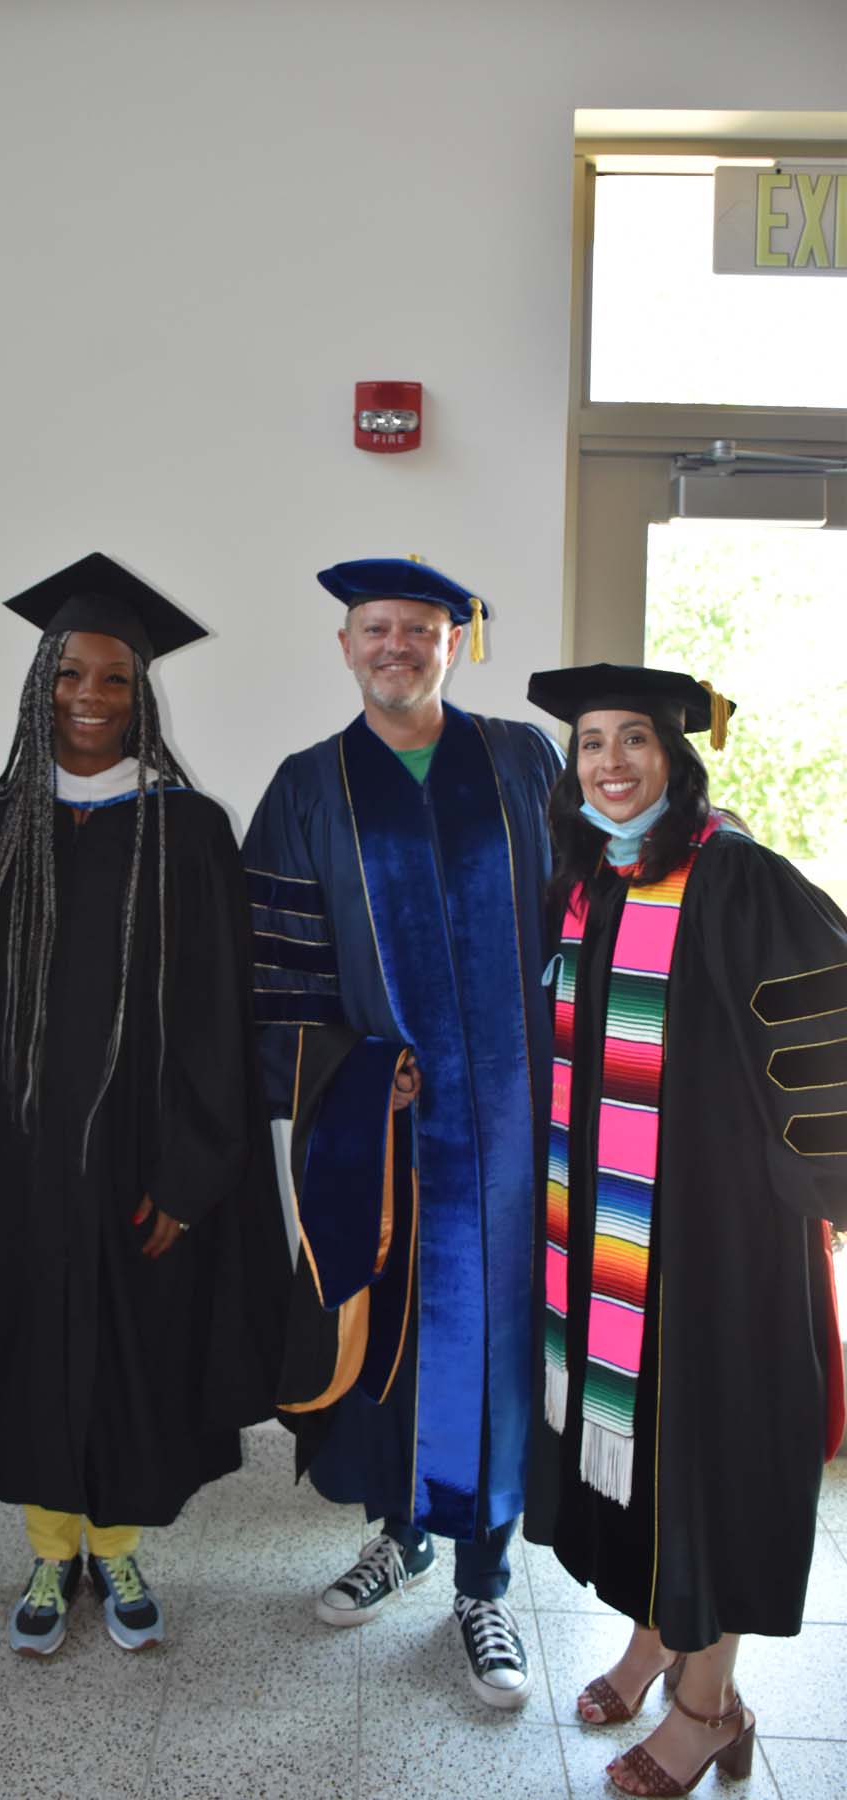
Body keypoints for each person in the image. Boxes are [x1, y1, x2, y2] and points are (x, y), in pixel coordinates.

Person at [0, 551, 287, 1658]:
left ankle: (114, 1541)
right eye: (69, 674)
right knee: (26, 1342)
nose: (88, 697)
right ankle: (45, 1544)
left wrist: (192, 1168)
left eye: (113, 678)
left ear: (142, 693)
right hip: (15, 1158)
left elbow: (223, 1015)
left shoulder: (190, 829)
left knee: (137, 1350)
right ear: (39, 684)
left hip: (138, 1160)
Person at [241, 555, 560, 1708]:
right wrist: (353, 1076)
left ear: (454, 643)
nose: (396, 645)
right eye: (375, 628)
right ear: (345, 646)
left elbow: (588, 915)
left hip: (521, 1136)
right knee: (386, 1336)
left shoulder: (523, 760)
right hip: (385, 1133)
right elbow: (278, 973)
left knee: (496, 1345)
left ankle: (486, 1579)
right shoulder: (308, 784)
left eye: (419, 628)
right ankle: (398, 1533)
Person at [523, 663, 846, 1797]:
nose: (610, 763)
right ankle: (655, 1638)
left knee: (708, 1464)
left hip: (719, 1252)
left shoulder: (736, 875)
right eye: (591, 744)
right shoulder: (590, 882)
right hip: (613, 1246)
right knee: (639, 1457)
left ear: (676, 759)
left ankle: (709, 1705)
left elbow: (825, 1040)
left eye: (635, 743)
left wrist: (805, 1192)